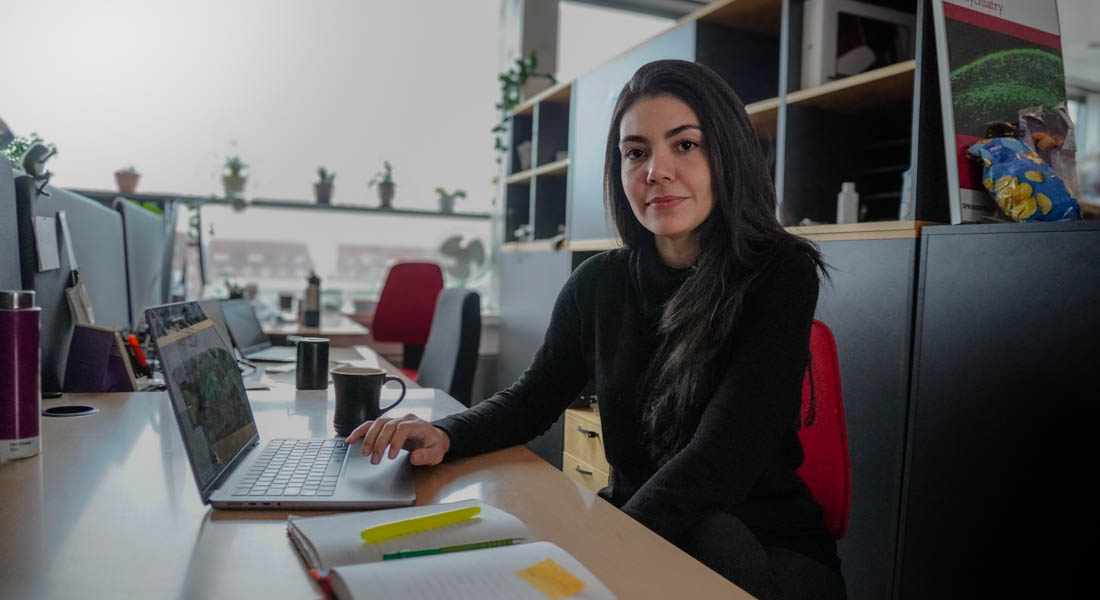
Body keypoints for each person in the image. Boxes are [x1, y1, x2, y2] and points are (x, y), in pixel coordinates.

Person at [346, 59, 846, 600]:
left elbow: (723, 459)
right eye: (636, 152)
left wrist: (606, 544)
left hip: (763, 545)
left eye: (685, 145)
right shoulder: (598, 284)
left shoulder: (778, 273)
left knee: (701, 534)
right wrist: (447, 433)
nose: (655, 170)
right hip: (648, 527)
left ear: (727, 153)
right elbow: (532, 400)